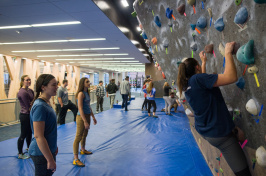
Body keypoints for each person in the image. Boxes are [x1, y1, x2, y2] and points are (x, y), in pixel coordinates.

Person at [177, 42, 251, 176]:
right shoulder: (198, 79)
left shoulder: (187, 86)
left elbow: (203, 83)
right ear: (197, 68)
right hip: (220, 134)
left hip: (208, 132)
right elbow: (231, 77)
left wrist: (203, 63)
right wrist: (228, 53)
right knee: (243, 173)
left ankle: (233, 131)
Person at [29, 74, 58, 176]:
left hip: (48, 150)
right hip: (41, 153)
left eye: (57, 84)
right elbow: (38, 136)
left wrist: (54, 146)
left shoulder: (47, 103)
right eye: (54, 85)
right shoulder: (40, 106)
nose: (57, 87)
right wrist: (50, 159)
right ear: (43, 87)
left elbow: (49, 130)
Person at [73, 78, 97, 167]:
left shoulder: (87, 93)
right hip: (81, 117)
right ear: (82, 83)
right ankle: (76, 159)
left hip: (87, 115)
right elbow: (80, 108)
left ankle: (82, 149)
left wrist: (93, 117)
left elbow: (88, 106)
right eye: (87, 82)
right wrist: (85, 121)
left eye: (89, 81)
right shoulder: (81, 94)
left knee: (85, 134)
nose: (89, 83)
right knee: (78, 137)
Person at [17, 75, 34, 159]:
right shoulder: (22, 92)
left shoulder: (30, 90)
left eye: (29, 80)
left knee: (30, 132)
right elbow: (28, 106)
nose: (29, 81)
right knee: (23, 134)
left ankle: (29, 147)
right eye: (27, 80)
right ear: (23, 81)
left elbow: (33, 101)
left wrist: (33, 104)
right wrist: (33, 105)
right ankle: (20, 153)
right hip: (25, 115)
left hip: (30, 114)